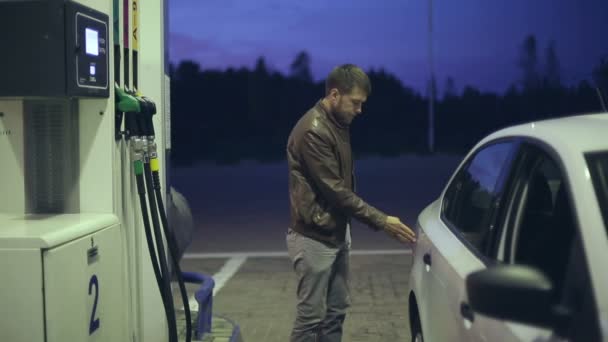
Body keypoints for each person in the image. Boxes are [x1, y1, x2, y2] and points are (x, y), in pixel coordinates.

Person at [286, 64, 416, 342]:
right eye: (355, 103)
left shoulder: (337, 123)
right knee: (310, 320)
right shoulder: (314, 130)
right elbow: (335, 191)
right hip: (314, 237)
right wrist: (382, 221)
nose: (359, 110)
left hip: (335, 230)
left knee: (336, 312)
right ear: (335, 95)